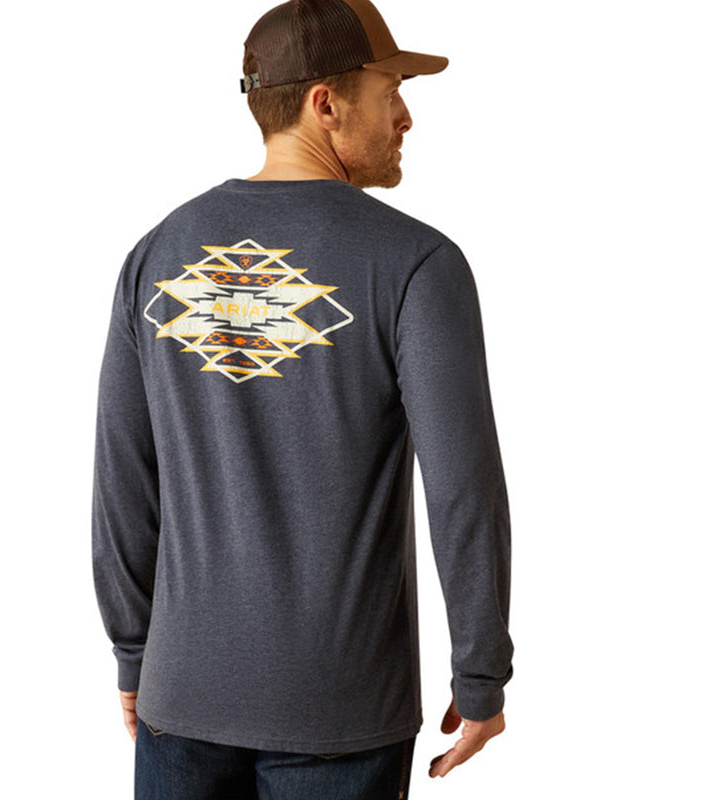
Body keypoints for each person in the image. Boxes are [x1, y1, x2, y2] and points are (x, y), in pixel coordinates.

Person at [92, 1, 514, 797]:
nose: (406, 116)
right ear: (326, 103)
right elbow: (464, 489)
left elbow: (122, 477)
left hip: (181, 697)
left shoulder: (156, 255)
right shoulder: (414, 263)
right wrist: (482, 671)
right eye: (390, 91)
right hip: (341, 710)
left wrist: (134, 653)